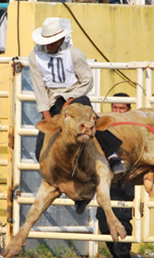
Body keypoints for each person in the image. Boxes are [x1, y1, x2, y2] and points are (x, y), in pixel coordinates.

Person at [28, 18, 126, 191]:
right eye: (46, 42)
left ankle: (112, 155)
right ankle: (63, 180)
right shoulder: (35, 57)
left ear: (60, 39)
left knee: (89, 121)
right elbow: (39, 89)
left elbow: (87, 81)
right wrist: (49, 120)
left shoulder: (74, 54)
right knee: (40, 150)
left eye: (52, 42)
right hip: (52, 102)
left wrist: (71, 99)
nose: (49, 46)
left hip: (76, 97)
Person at [97, 94, 136, 258]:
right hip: (104, 178)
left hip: (124, 177)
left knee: (121, 216)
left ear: (128, 110)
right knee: (103, 220)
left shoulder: (133, 128)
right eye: (115, 108)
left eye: (122, 108)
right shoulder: (102, 127)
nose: (118, 111)